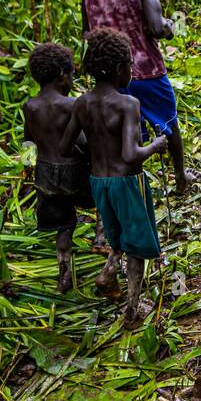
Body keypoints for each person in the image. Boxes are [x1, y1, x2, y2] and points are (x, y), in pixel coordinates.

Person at [82, 0, 194, 195]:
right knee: (169, 122)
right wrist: (169, 25)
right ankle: (181, 178)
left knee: (122, 133)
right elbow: (157, 28)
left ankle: (132, 187)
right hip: (144, 68)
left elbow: (87, 28)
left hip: (106, 76)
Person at [62, 29, 168, 322]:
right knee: (136, 247)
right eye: (131, 66)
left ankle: (108, 273)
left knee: (117, 235)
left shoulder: (81, 103)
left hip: (99, 183)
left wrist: (96, 151)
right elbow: (131, 154)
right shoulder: (128, 104)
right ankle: (133, 308)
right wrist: (156, 145)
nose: (133, 71)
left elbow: (66, 144)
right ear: (120, 69)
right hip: (128, 182)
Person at [24, 42, 94, 293]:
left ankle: (64, 273)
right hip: (72, 171)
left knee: (64, 225)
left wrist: (28, 167)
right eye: (72, 74)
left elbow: (28, 140)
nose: (73, 79)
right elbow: (85, 142)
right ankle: (102, 236)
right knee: (101, 195)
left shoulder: (30, 106)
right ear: (61, 75)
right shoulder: (71, 104)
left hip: (45, 174)